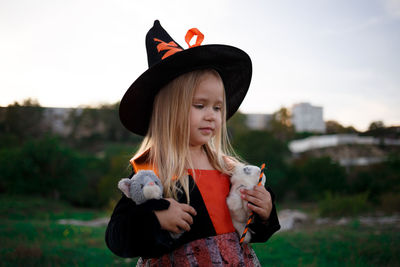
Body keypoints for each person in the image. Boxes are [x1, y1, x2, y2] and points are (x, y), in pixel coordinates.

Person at [106, 20, 280, 266]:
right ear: (168, 112)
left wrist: (265, 210)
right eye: (200, 105)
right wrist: (155, 219)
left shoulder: (230, 170)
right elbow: (117, 237)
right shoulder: (152, 172)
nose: (212, 115)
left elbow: (255, 233)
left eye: (217, 107)